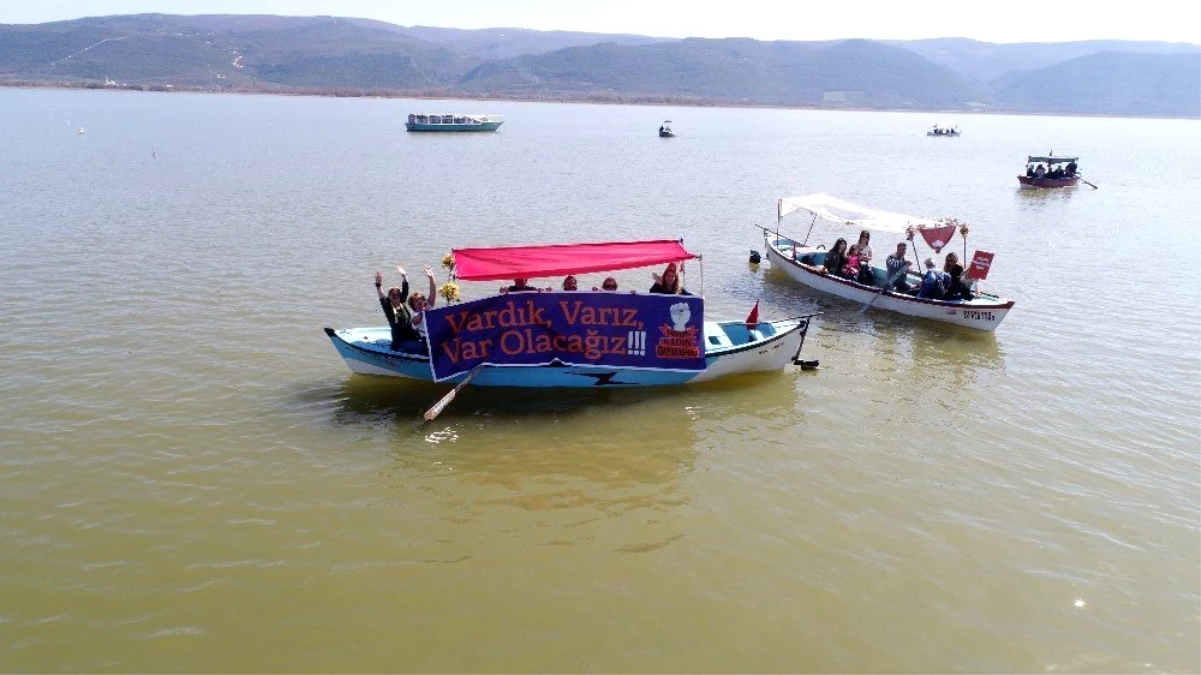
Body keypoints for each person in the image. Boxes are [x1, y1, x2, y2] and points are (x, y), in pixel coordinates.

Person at [375, 267, 420, 349]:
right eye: (393, 295)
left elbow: (405, 289)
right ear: (389, 296)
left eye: (397, 294)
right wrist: (378, 284)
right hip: (400, 341)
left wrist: (404, 275)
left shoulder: (402, 302)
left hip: (412, 335)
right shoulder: (388, 307)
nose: (396, 296)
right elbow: (381, 296)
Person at [408, 266, 438, 341]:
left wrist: (431, 277)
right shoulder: (414, 314)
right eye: (416, 301)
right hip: (425, 339)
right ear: (413, 305)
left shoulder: (429, 305)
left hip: (436, 335)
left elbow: (433, 291)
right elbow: (415, 321)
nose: (419, 301)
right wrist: (422, 312)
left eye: (420, 299)